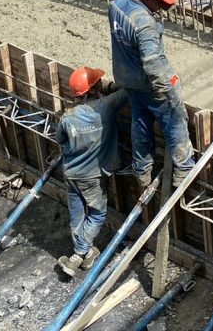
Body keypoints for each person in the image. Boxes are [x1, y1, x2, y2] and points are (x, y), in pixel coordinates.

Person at [109, 0, 195, 189]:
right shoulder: (145, 24)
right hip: (148, 83)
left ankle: (141, 169)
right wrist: (168, 92)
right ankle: (184, 168)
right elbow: (152, 63)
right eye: (160, 3)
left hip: (128, 79)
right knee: (175, 118)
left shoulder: (118, 3)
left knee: (140, 120)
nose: (162, 8)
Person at [55, 65, 127, 278]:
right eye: (98, 83)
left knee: (77, 214)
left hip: (70, 173)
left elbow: (60, 139)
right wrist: (110, 87)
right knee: (97, 213)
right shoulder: (105, 106)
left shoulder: (68, 116)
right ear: (94, 88)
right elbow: (129, 90)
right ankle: (79, 253)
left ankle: (86, 255)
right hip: (92, 176)